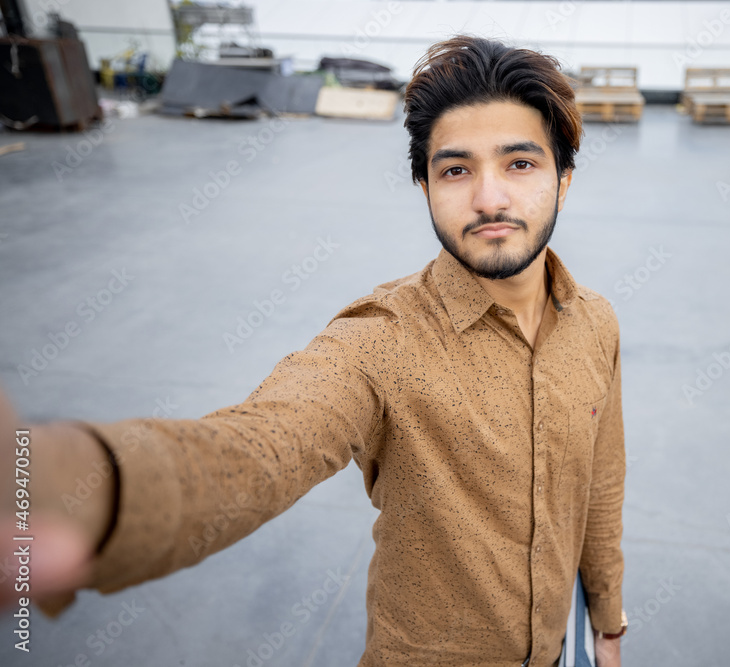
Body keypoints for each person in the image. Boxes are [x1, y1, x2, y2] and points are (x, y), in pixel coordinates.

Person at [1, 35, 627, 667]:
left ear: (563, 180)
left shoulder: (595, 324)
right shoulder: (381, 342)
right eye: (456, 170)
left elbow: (601, 485)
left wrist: (607, 621)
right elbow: (262, 447)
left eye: (520, 164)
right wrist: (53, 487)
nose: (489, 199)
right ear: (425, 187)